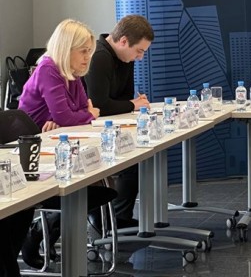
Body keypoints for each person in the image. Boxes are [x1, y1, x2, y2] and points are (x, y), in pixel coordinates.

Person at [17, 19, 116, 269]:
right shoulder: (48, 70)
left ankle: (44, 233)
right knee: (84, 185)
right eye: (83, 51)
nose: (87, 58)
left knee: (91, 181)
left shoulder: (71, 72)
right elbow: (73, 116)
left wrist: (77, 115)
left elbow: (78, 111)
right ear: (66, 48)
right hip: (32, 152)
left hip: (56, 144)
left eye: (89, 52)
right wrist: (83, 115)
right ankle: (37, 234)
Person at [85, 14, 154, 228]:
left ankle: (119, 218)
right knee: (130, 162)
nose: (140, 57)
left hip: (109, 125)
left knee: (135, 158)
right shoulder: (99, 56)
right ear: (123, 41)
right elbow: (100, 106)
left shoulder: (124, 58)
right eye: (139, 51)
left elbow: (124, 99)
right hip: (88, 128)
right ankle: (111, 220)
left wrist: (133, 104)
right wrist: (133, 104)